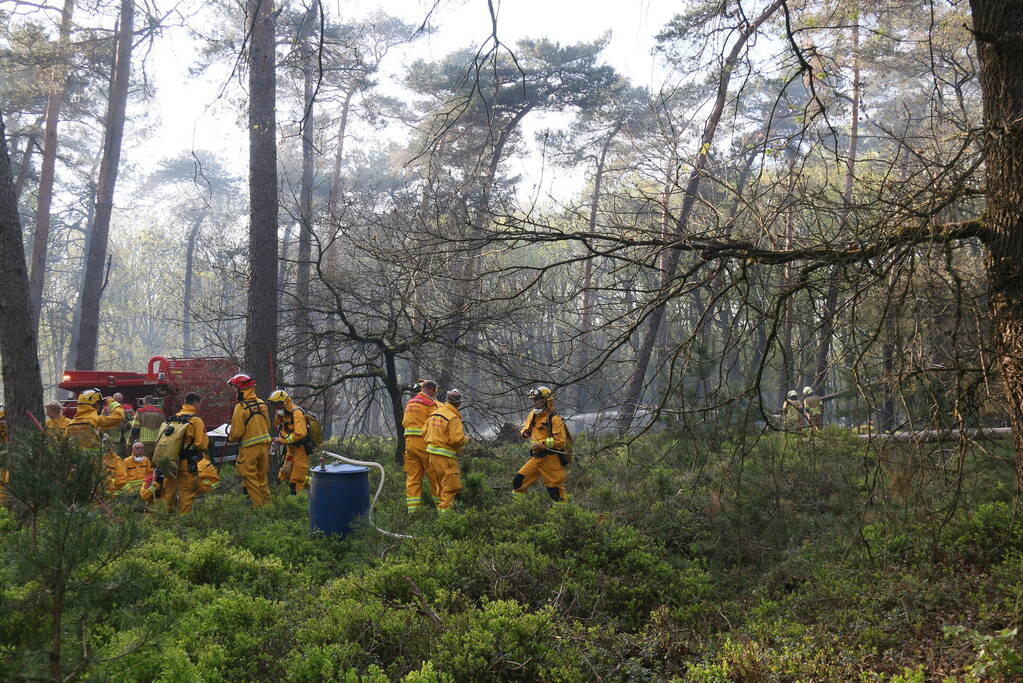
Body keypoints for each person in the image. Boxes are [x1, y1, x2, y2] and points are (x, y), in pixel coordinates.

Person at [512, 386, 569, 503]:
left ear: (547, 400)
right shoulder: (533, 415)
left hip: (551, 460)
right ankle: (520, 511)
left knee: (556, 492)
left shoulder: (555, 418)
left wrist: (542, 444)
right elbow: (524, 428)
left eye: (538, 399)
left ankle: (565, 516)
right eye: (533, 400)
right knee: (518, 483)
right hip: (536, 458)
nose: (535, 402)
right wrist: (524, 433)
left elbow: (560, 441)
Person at [158, 392, 209, 514]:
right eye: (200, 404)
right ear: (195, 403)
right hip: (186, 464)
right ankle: (184, 521)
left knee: (170, 490)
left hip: (171, 462)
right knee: (187, 492)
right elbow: (200, 444)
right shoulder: (196, 420)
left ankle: (166, 517)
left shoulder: (173, 418)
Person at [227, 374, 272, 507]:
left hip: (249, 450)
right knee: (262, 479)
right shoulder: (262, 404)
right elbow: (268, 426)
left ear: (240, 389)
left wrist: (230, 437)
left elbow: (237, 433)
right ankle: (269, 507)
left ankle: (259, 510)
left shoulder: (241, 407)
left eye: (236, 388)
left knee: (251, 480)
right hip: (264, 448)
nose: (235, 392)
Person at [423, 389, 468, 514]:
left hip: (432, 458)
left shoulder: (435, 413)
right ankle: (445, 520)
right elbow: (456, 440)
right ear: (458, 404)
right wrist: (466, 439)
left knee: (440, 487)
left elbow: (424, 432)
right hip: (446, 460)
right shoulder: (453, 418)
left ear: (447, 401)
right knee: (451, 488)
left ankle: (439, 512)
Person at [402, 379, 441, 513]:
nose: (435, 395)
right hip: (425, 446)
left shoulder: (409, 403)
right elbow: (438, 422)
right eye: (434, 392)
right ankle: (441, 509)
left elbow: (405, 423)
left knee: (413, 479)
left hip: (410, 447)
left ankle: (413, 512)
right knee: (434, 477)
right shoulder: (430, 404)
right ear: (431, 390)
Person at [269, 389, 310, 494]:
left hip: (300, 449)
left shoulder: (297, 413)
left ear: (282, 403)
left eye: (276, 405)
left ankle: (297, 501)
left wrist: (282, 440)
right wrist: (278, 441)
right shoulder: (283, 415)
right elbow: (281, 430)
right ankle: (311, 482)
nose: (275, 408)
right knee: (284, 474)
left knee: (296, 478)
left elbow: (300, 434)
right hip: (290, 449)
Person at [131, 395, 165, 460]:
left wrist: (133, 440)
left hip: (143, 442)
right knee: (154, 462)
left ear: (144, 402)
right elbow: (164, 427)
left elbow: (135, 429)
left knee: (144, 462)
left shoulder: (140, 411)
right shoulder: (160, 412)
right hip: (156, 441)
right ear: (153, 402)